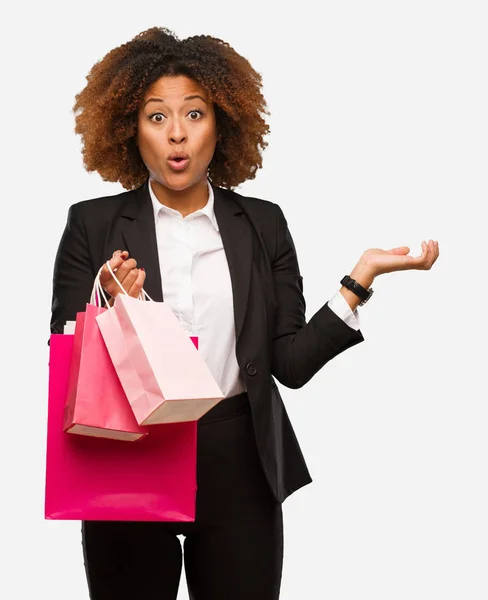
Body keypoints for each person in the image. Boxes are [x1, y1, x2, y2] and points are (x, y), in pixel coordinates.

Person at [50, 26, 439, 600]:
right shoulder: (92, 223)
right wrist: (106, 300)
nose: (176, 134)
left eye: (194, 114)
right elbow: (62, 349)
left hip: (238, 458)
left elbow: (291, 363)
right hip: (130, 453)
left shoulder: (263, 223)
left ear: (221, 123)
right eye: (156, 117)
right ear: (130, 128)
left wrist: (360, 280)